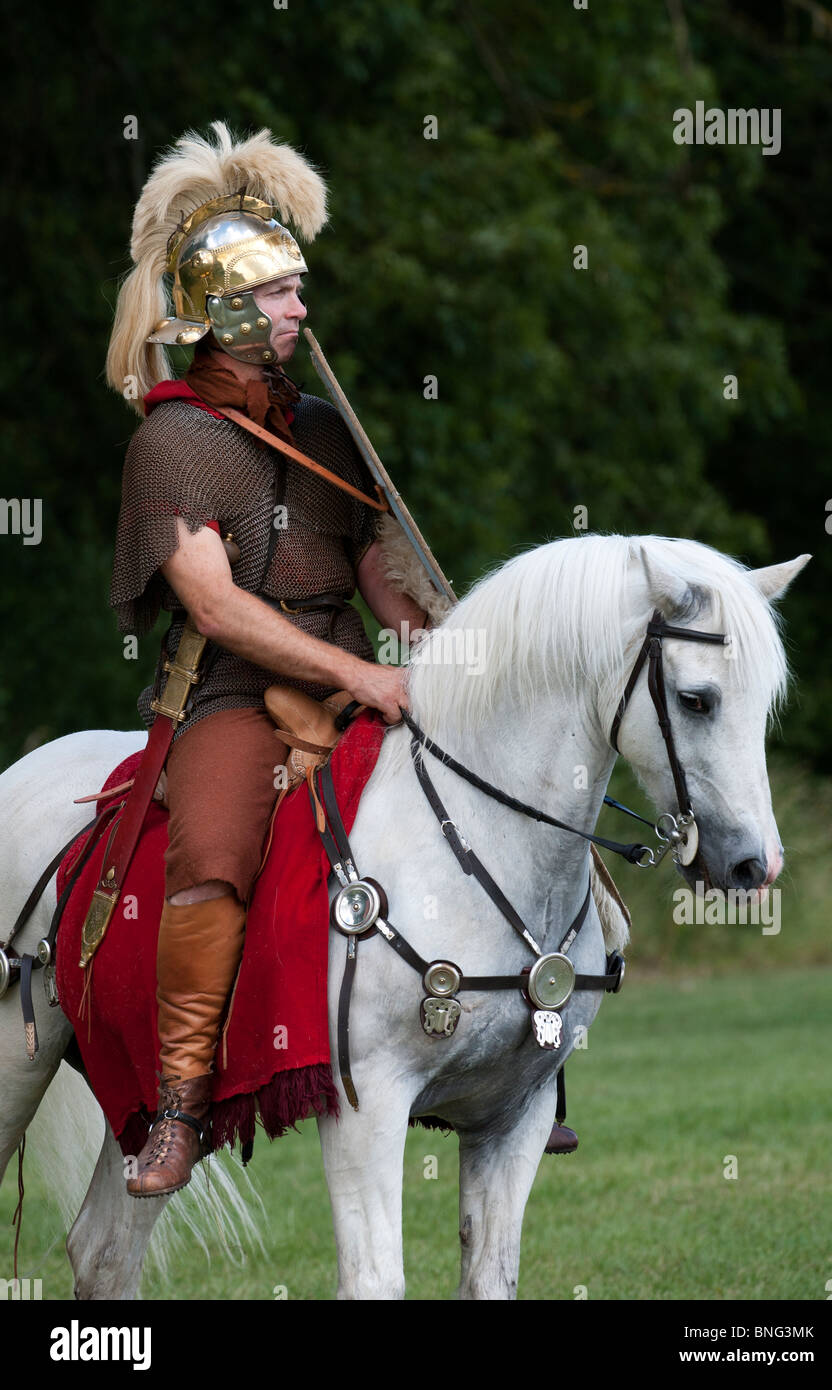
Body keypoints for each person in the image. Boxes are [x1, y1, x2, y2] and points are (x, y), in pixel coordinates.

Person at [105, 123, 427, 1196]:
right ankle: (181, 1109)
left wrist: (430, 631)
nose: (301, 309)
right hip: (234, 691)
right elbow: (216, 606)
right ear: (231, 308)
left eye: (298, 289)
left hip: (354, 666)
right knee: (213, 857)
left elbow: (374, 561)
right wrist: (363, 677)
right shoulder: (172, 441)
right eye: (283, 292)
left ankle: (520, 1043)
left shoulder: (326, 427)